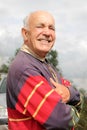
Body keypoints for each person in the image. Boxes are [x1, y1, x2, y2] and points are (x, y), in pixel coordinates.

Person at [6, 10, 82, 130]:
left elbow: (67, 90)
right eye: (40, 26)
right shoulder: (25, 69)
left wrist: (70, 93)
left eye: (51, 28)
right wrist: (76, 103)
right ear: (25, 34)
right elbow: (60, 119)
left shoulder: (43, 64)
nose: (47, 32)